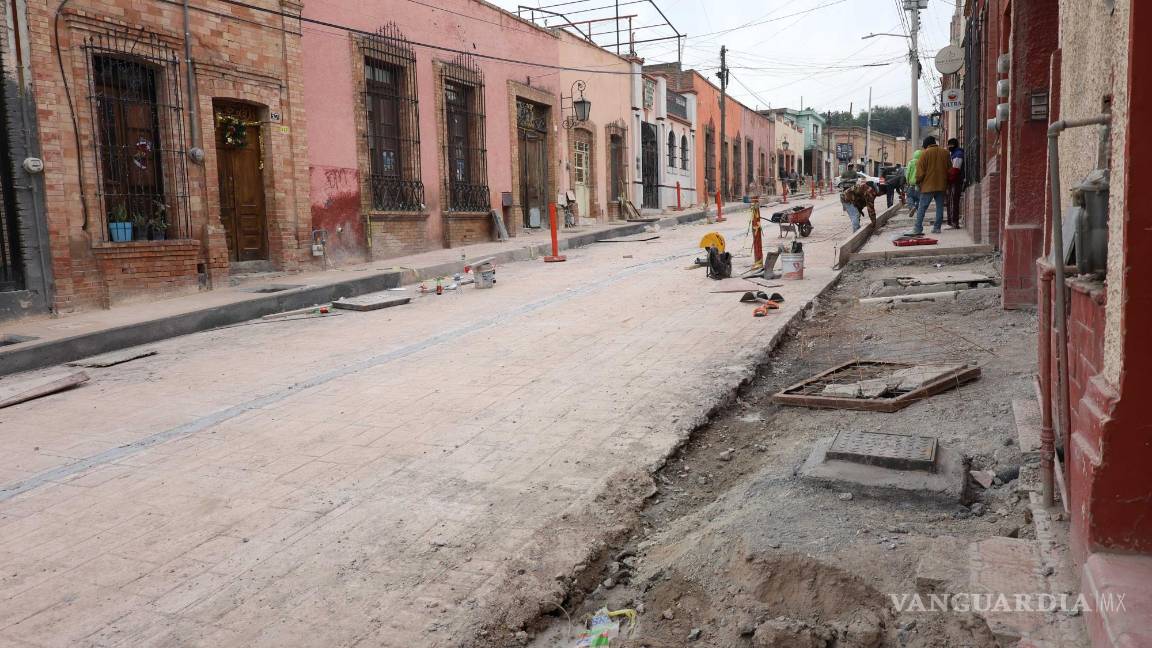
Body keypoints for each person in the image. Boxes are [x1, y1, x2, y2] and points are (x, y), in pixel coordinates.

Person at [913, 136, 950, 235]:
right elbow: (949, 169)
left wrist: (917, 182)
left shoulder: (924, 154)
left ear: (926, 145)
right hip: (941, 185)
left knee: (922, 208)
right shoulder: (945, 153)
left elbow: (920, 173)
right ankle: (937, 228)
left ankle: (918, 228)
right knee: (939, 207)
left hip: (928, 186)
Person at [946, 138, 966, 229]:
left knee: (953, 201)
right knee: (952, 201)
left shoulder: (958, 155)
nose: (949, 147)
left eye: (950, 145)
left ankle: (954, 222)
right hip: (954, 180)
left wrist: (949, 178)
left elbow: (955, 169)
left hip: (956, 181)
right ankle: (952, 222)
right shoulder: (955, 154)